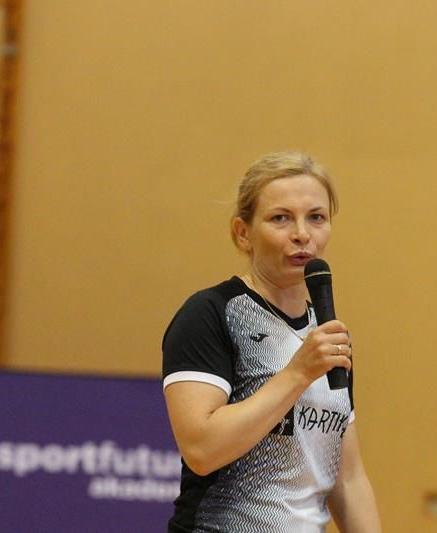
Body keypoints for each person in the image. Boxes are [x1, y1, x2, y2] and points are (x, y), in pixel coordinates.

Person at [162, 151, 381, 533]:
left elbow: (348, 479)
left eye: (316, 217)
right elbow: (201, 449)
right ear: (243, 233)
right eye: (281, 218)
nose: (302, 234)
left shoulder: (326, 334)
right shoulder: (211, 313)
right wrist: (298, 373)